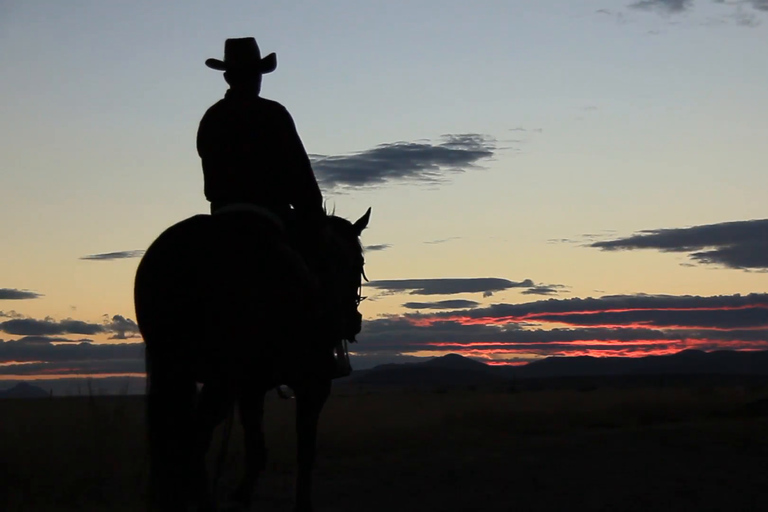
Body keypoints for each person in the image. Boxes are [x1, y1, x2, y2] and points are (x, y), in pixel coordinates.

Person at [197, 37, 325, 228]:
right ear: (257, 76)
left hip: (221, 210)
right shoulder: (273, 113)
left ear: (227, 77)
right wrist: (314, 215)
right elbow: (299, 171)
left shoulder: (212, 116)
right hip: (271, 210)